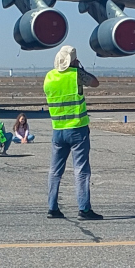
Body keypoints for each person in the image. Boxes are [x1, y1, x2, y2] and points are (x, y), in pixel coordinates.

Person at [43, 45, 103, 220]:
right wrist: (79, 68)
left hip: (58, 130)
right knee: (81, 170)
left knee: (55, 170)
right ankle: (84, 209)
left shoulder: (49, 77)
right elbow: (95, 82)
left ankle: (52, 207)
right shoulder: (76, 75)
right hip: (77, 128)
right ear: (73, 60)